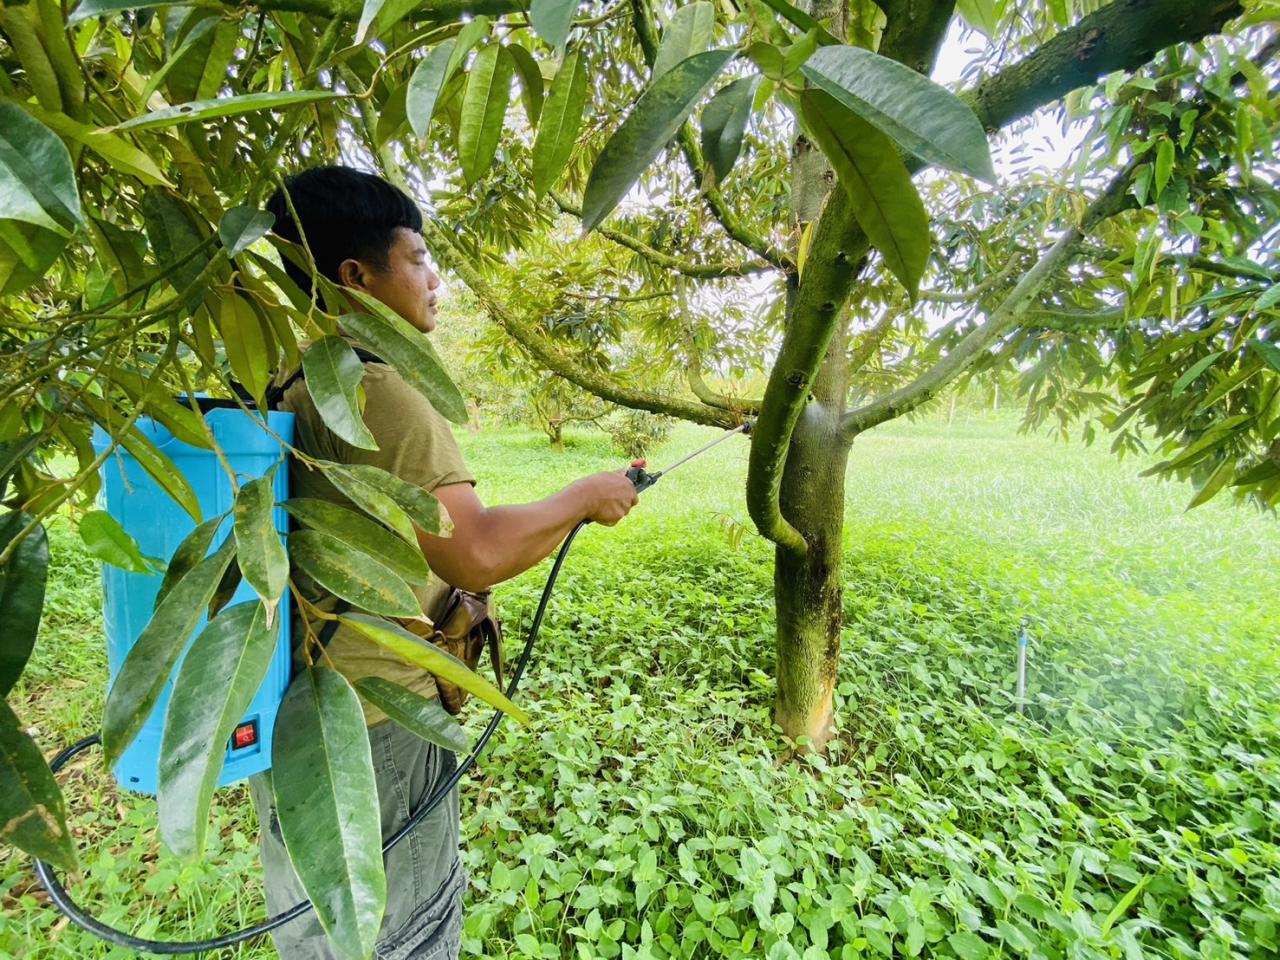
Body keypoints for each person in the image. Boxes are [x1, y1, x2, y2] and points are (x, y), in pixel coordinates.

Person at [248, 164, 638, 959]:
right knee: (407, 932)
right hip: (378, 721)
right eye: (418, 258)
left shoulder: (285, 377)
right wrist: (583, 496)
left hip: (292, 714)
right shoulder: (380, 391)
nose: (435, 280)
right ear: (357, 276)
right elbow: (478, 549)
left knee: (317, 925)